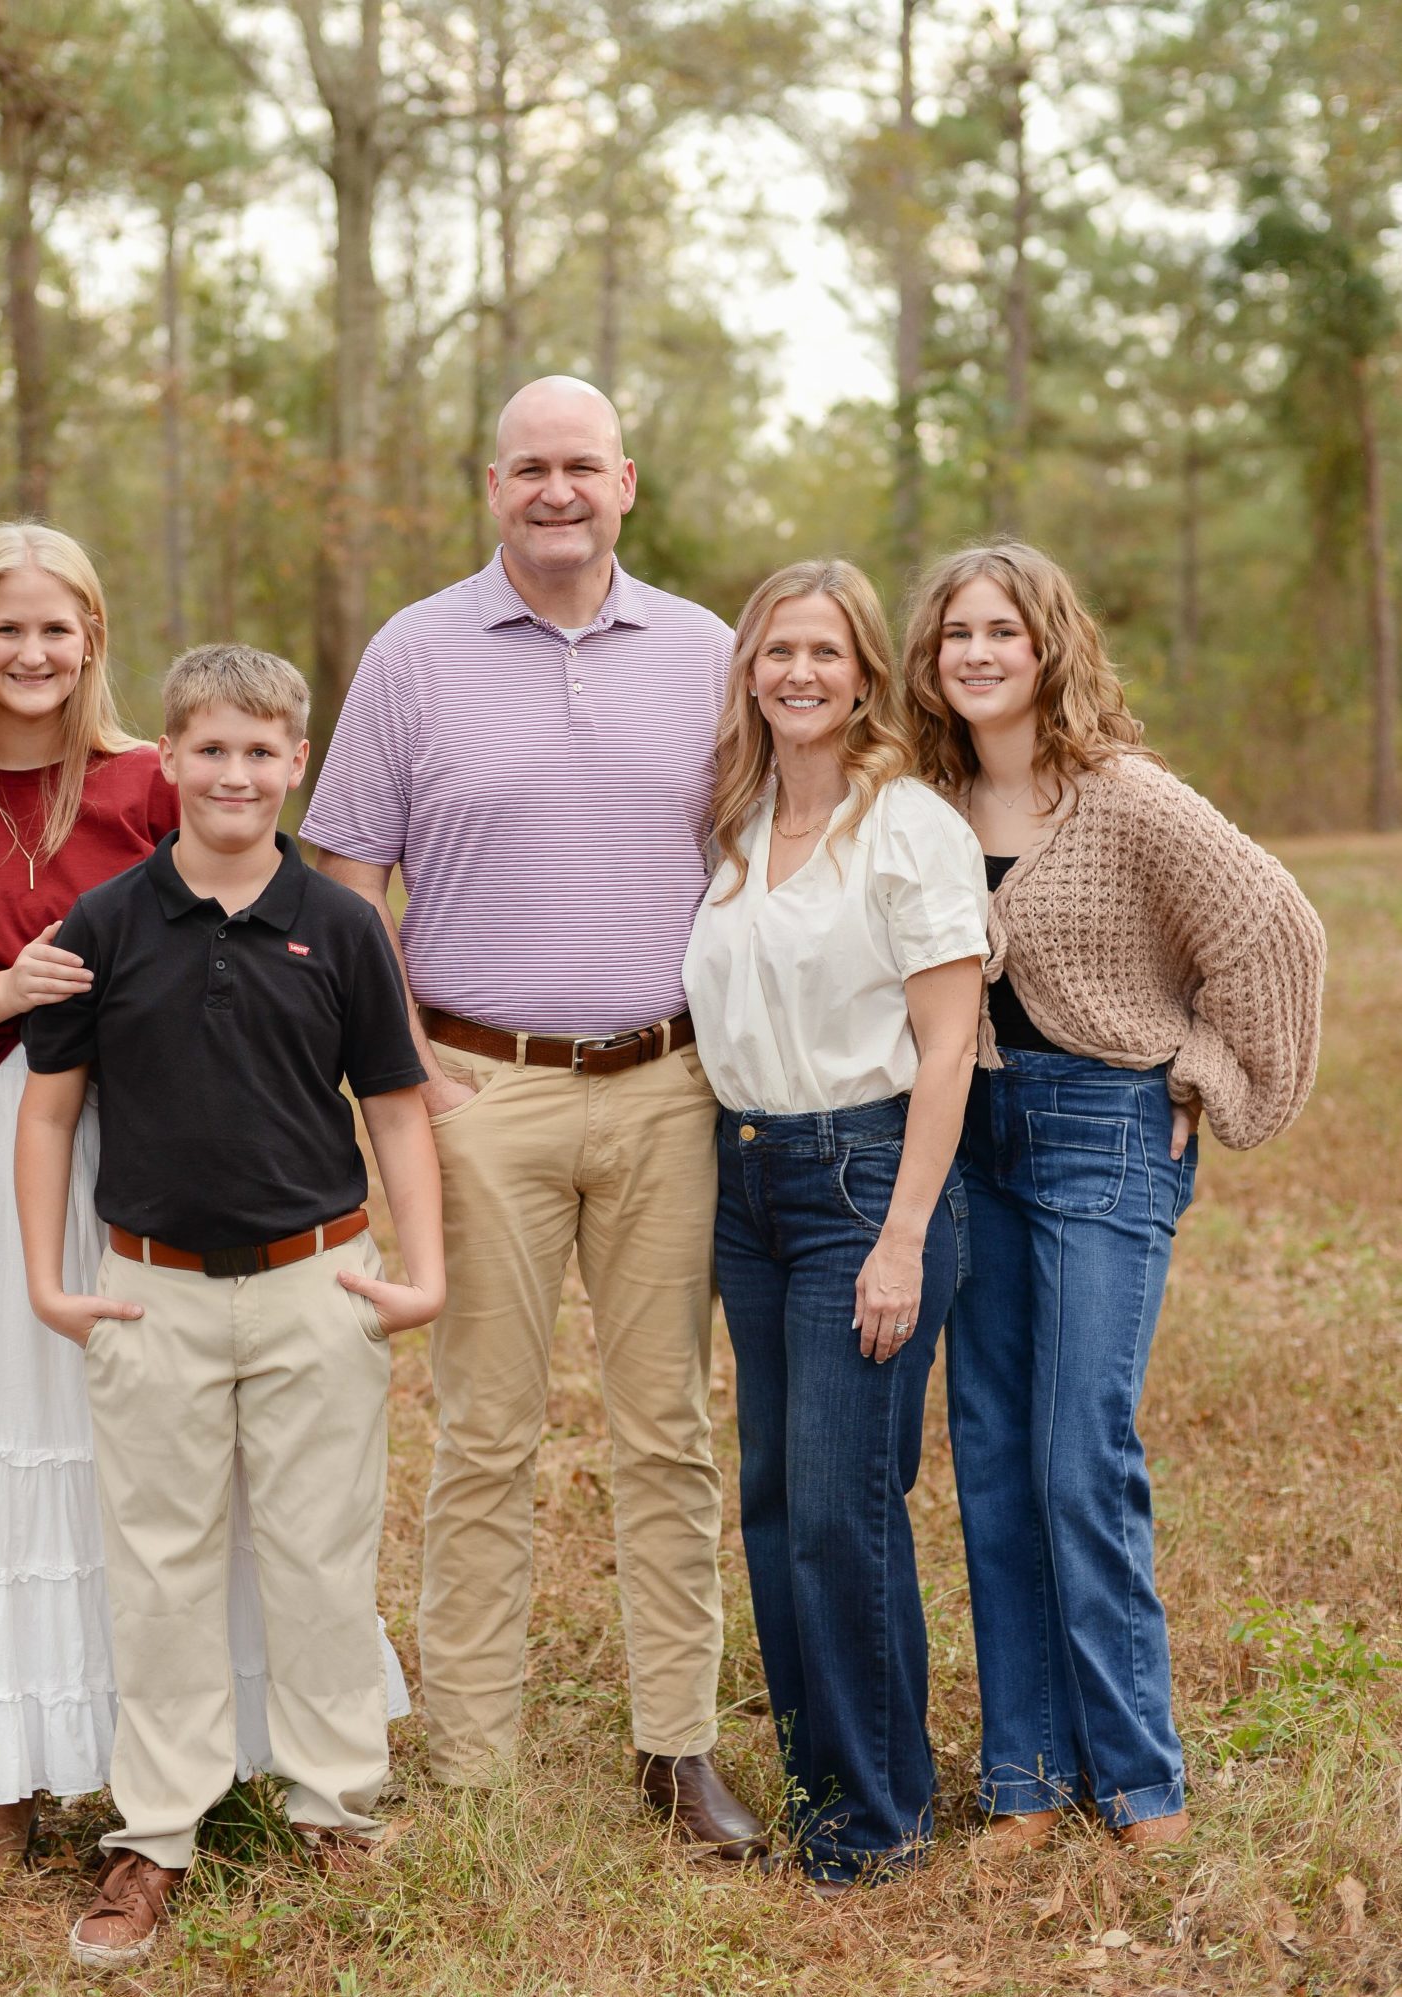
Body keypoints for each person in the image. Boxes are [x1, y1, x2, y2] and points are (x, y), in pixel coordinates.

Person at [0, 525, 406, 1885]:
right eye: (4, 628)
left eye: (56, 629)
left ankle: (224, 1749)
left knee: (150, 1449)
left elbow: (262, 938)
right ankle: (1, 1772)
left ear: (93, 641)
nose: (29, 653)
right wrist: (4, 992)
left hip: (141, 1144)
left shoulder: (148, 779)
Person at [301, 375, 765, 1856]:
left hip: (666, 1084)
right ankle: (473, 1755)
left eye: (581, 465)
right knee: (485, 1432)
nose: (554, 490)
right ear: (488, 485)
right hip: (475, 1088)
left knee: (668, 1431)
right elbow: (341, 885)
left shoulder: (706, 651)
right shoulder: (413, 652)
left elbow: (776, 850)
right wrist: (395, 1077)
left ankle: (678, 1748)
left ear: (626, 480)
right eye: (527, 468)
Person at [16, 643, 444, 1970]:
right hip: (151, 1291)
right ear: (171, 761)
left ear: (295, 762)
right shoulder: (104, 924)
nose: (235, 772)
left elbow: (395, 1105)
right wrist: (50, 1280)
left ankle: (330, 1799)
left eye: (261, 750)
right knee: (160, 1567)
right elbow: (48, 1112)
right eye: (209, 748)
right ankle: (154, 1831)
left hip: (319, 1281)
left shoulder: (347, 924)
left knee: (320, 1551)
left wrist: (420, 1271)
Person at [898, 541, 1325, 1853]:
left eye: (1001, 631)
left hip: (1104, 1135)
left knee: (1079, 1448)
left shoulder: (1124, 797)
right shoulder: (920, 803)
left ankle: (1140, 1781)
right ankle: (1025, 1772)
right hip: (971, 1137)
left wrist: (1200, 1076)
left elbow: (1275, 927)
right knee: (988, 1447)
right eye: (954, 632)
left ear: (1047, 649)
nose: (975, 652)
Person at [681, 560, 986, 1890]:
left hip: (863, 1181)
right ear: (748, 670)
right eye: (775, 651)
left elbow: (948, 1041)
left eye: (823, 651)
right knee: (768, 1503)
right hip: (745, 1179)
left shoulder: (906, 823)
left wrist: (904, 1232)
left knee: (840, 1512)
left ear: (864, 671)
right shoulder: (740, 824)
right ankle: (822, 1794)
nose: (797, 673)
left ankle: (878, 1818)